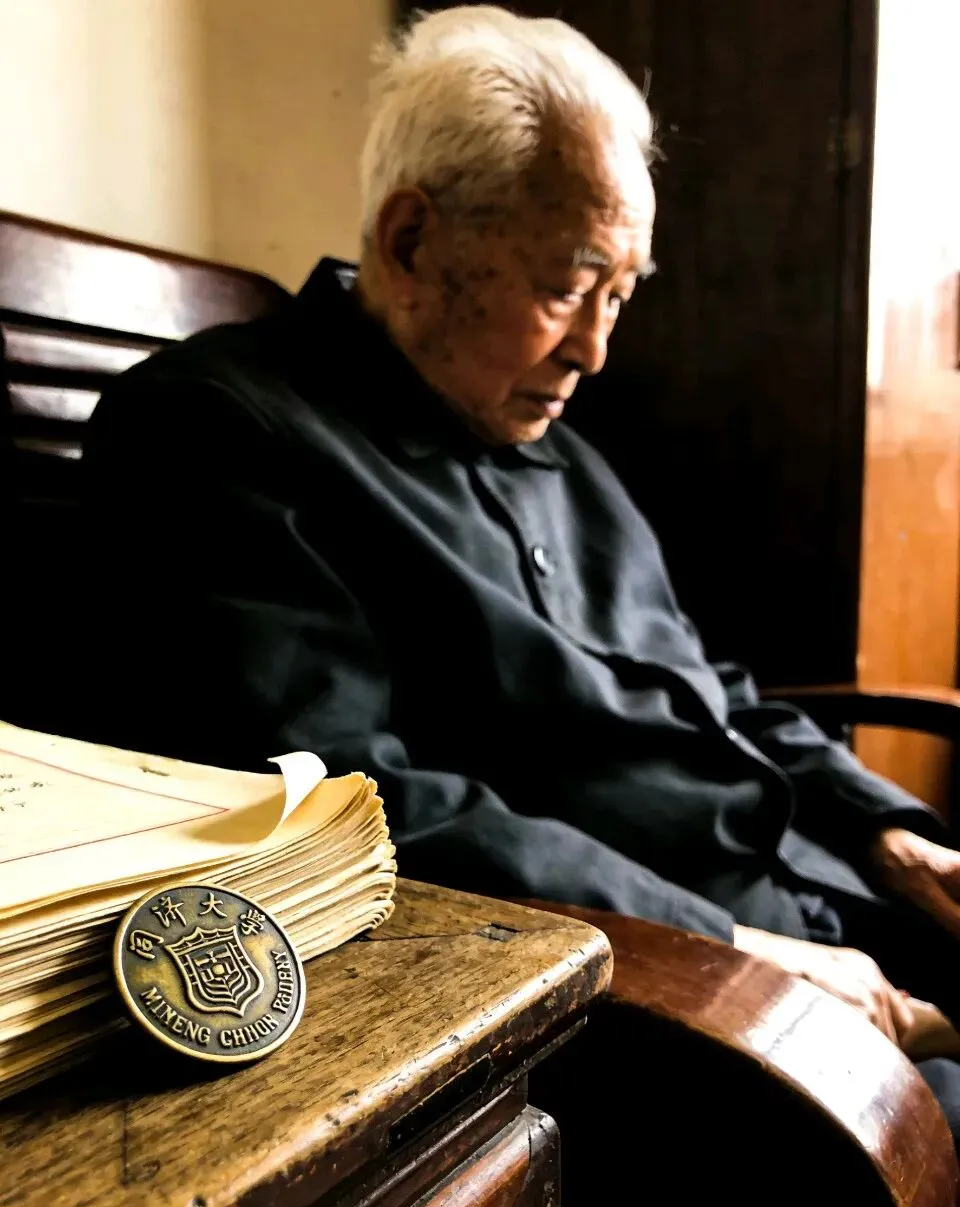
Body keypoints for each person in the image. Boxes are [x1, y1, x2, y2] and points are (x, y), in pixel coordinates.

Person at [82, 7, 960, 1107]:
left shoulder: (560, 451)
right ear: (412, 243)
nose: (596, 348)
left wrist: (884, 829)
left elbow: (709, 695)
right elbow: (343, 807)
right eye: (566, 288)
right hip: (657, 989)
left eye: (619, 294)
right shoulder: (220, 431)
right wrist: (731, 949)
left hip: (819, 896)